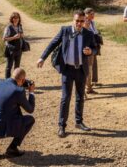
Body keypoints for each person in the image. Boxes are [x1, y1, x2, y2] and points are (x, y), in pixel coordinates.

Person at [37, 10, 97, 138]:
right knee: (66, 98)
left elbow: (95, 48)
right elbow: (53, 43)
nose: (79, 23)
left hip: (81, 70)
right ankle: (62, 126)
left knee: (80, 97)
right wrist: (42, 58)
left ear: (85, 21)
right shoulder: (65, 31)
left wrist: (91, 51)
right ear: (73, 20)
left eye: (82, 21)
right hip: (67, 70)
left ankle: (79, 122)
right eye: (77, 21)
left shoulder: (88, 34)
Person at [0, 67, 36, 159]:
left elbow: (11, 86)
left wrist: (22, 82)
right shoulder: (18, 91)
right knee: (30, 120)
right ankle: (13, 148)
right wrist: (31, 92)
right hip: (1, 130)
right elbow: (30, 109)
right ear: (23, 80)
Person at [84, 8, 102, 94]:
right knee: (88, 67)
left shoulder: (92, 22)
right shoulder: (85, 22)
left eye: (93, 14)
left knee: (92, 65)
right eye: (91, 14)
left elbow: (94, 32)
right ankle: (87, 87)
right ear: (86, 14)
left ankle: (90, 85)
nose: (92, 15)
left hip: (93, 45)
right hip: (87, 47)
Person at [3, 12, 25, 79]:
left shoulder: (19, 26)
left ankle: (15, 81)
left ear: (19, 19)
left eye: (17, 18)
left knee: (17, 67)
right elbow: (4, 39)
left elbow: (22, 36)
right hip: (11, 50)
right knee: (9, 67)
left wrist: (22, 35)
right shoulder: (8, 27)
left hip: (19, 49)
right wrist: (14, 37)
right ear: (12, 19)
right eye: (14, 18)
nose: (16, 19)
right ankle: (7, 81)